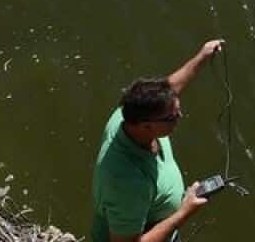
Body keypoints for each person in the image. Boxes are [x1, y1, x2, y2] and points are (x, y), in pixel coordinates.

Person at [91, 39, 224, 242]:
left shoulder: (129, 113)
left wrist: (202, 56)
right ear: (147, 125)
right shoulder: (126, 182)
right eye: (172, 117)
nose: (180, 116)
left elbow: (170, 88)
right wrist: (183, 213)